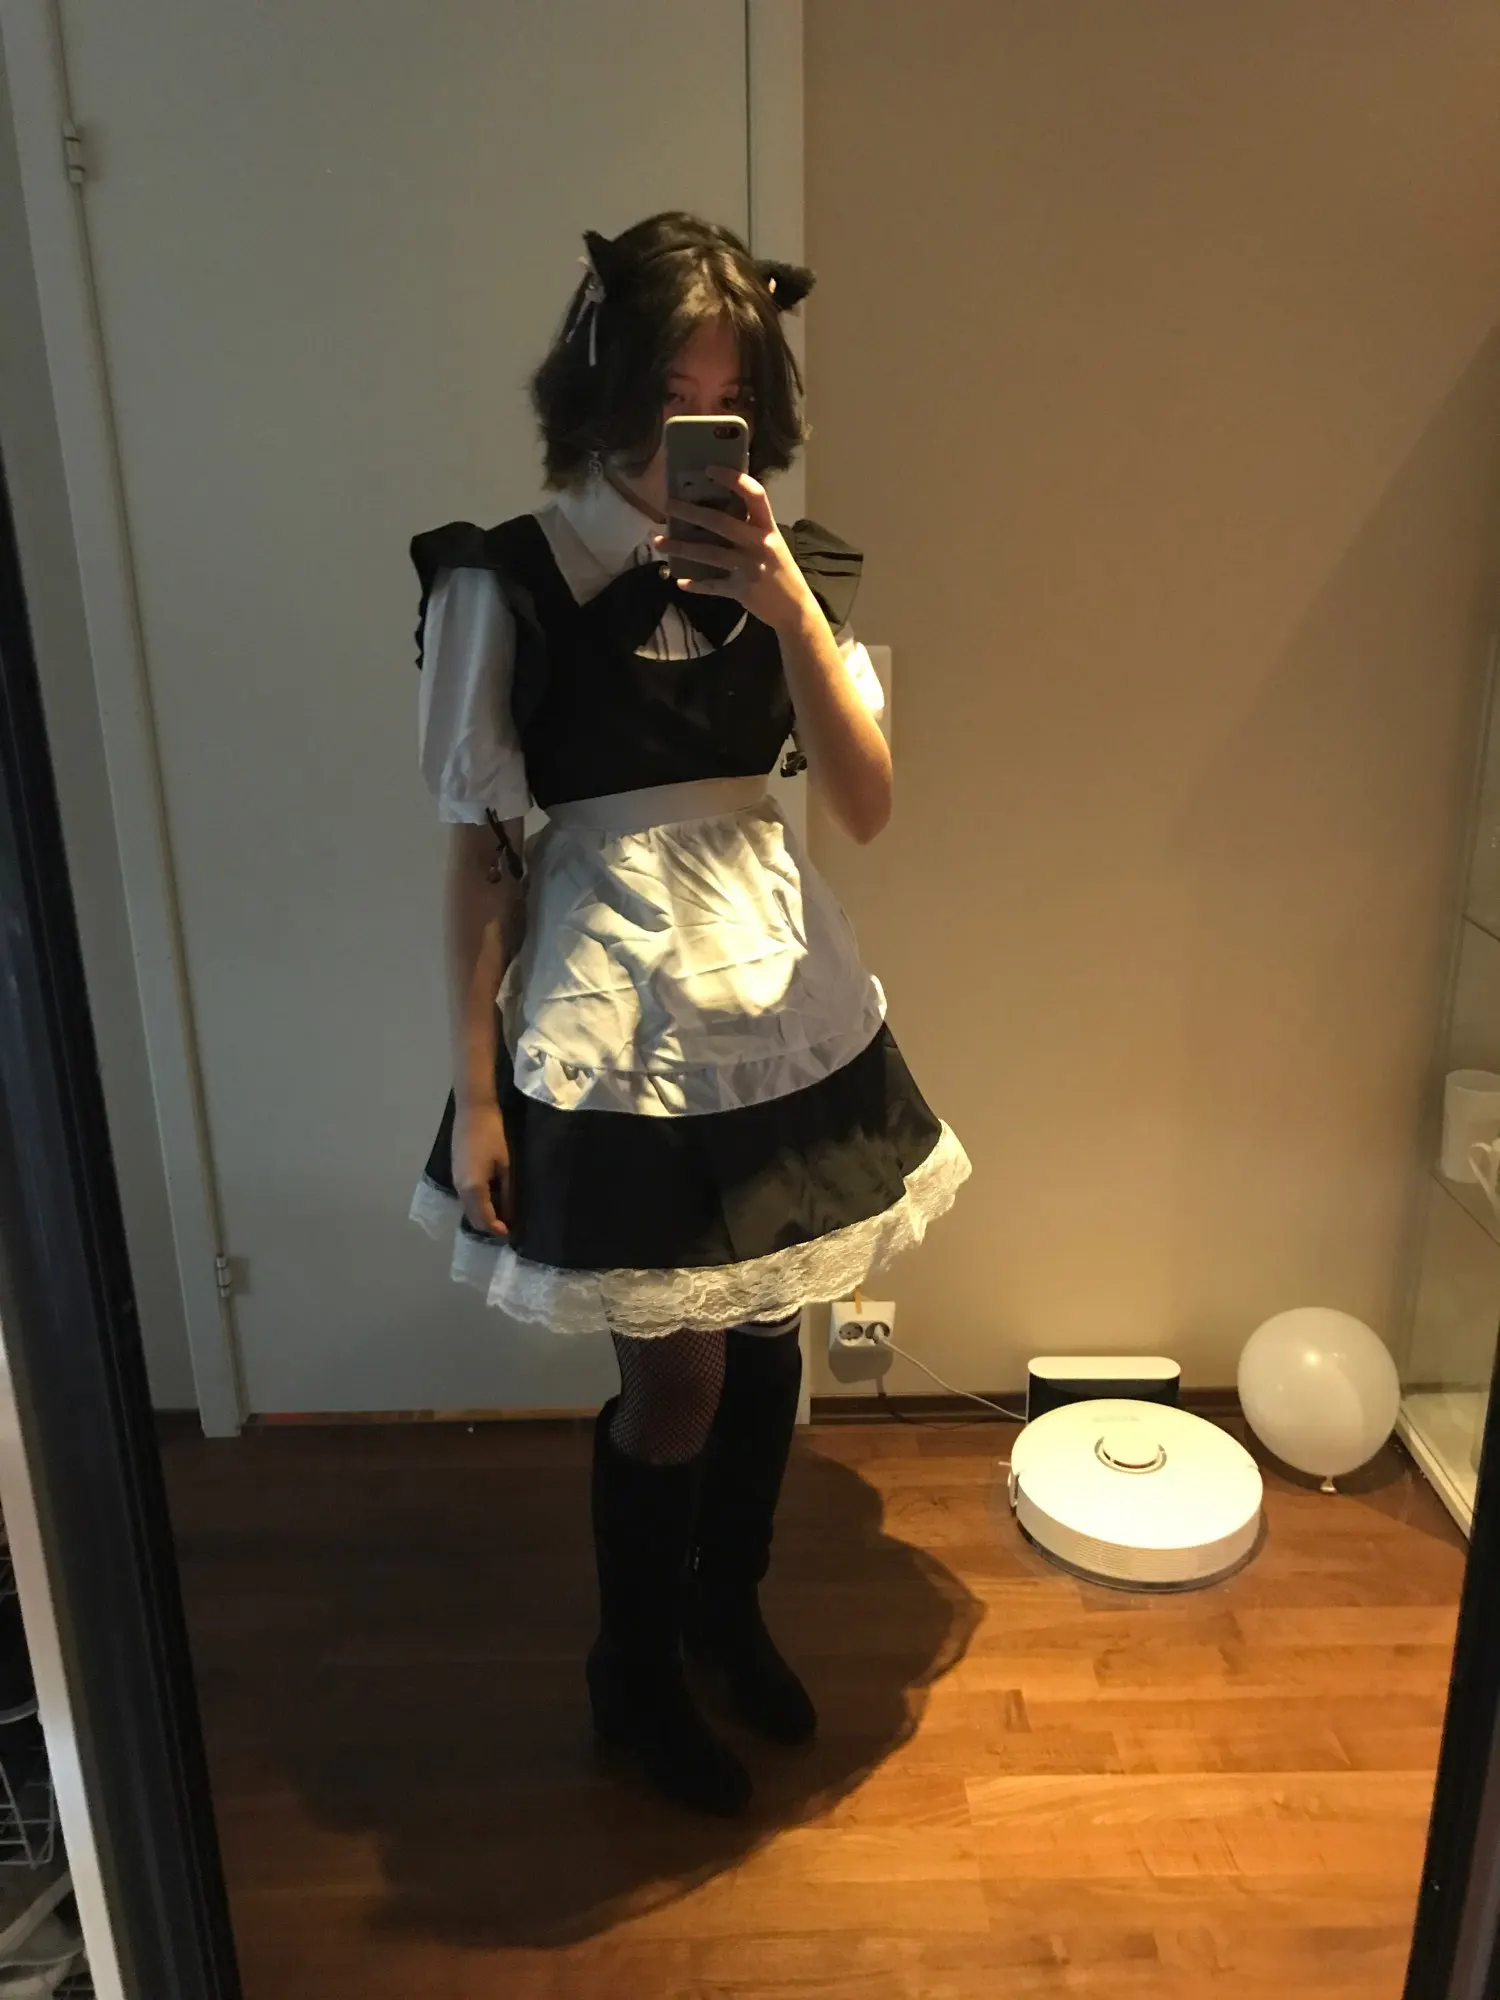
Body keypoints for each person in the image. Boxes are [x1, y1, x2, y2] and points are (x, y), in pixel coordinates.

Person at [409, 212, 970, 1817]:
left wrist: (789, 610)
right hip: (613, 1021)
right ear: (600, 385)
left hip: (779, 1001)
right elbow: (481, 854)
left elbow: (864, 807)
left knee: (769, 1325)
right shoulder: (508, 582)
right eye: (667, 395)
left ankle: (730, 1611)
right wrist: (477, 1093)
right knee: (679, 1380)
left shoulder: (802, 575)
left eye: (725, 402)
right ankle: (635, 1671)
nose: (691, 435)